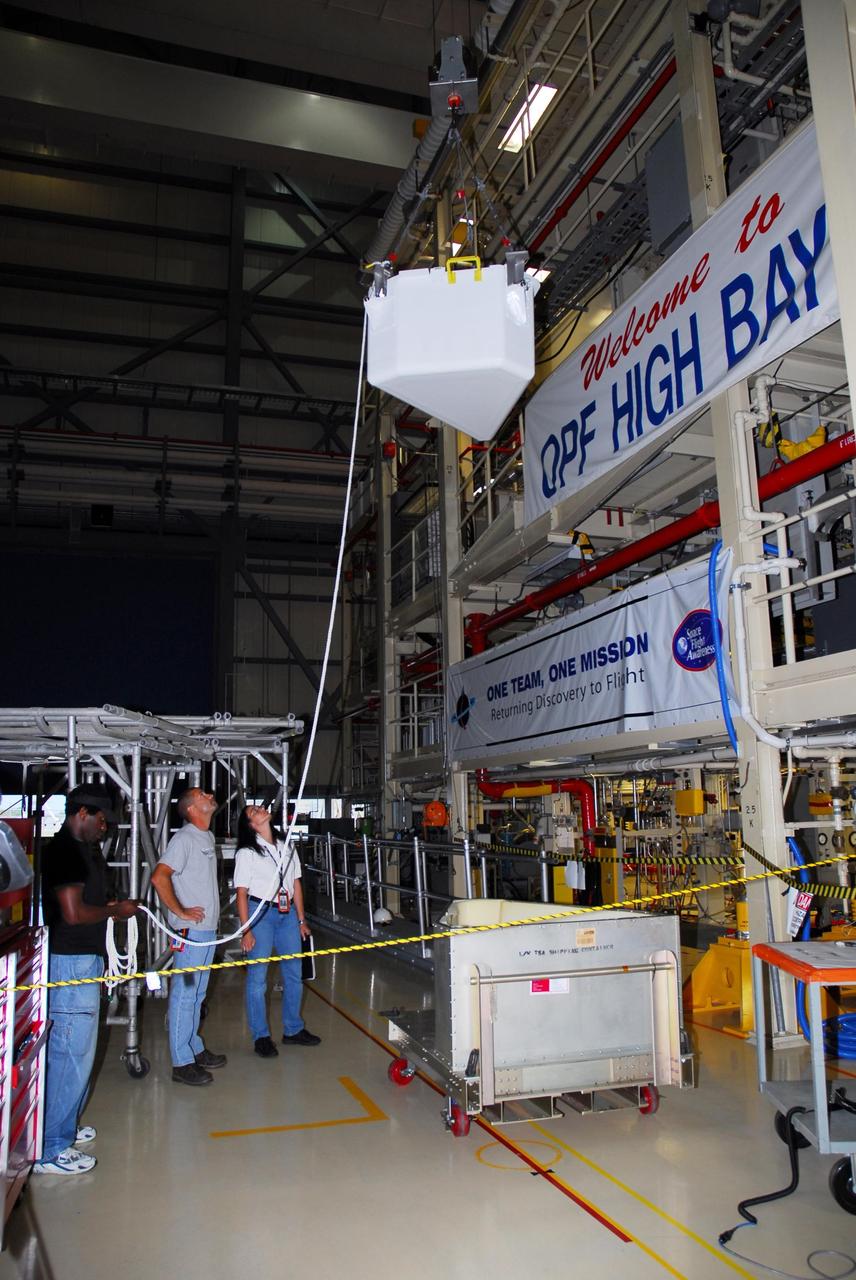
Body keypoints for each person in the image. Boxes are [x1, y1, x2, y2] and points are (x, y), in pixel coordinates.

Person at [34, 784, 138, 1176]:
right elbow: (74, 915)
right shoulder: (65, 852)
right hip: (71, 962)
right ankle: (50, 1147)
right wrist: (116, 913)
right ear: (81, 814)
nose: (104, 827)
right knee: (69, 1056)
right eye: (100, 820)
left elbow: (83, 906)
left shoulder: (79, 851)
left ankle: (64, 1126)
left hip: (82, 961)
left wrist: (110, 907)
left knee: (79, 1053)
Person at [151, 787, 227, 1086]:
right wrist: (180, 911)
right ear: (192, 809)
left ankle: (193, 1048)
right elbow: (160, 876)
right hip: (191, 932)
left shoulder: (204, 836)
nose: (209, 795)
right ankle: (181, 1062)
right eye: (202, 795)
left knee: (197, 995)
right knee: (185, 996)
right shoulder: (183, 839)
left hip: (206, 931)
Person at [234, 805, 320, 1057]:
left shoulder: (286, 844)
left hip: (288, 914)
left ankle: (293, 1029)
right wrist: (246, 929)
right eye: (253, 811)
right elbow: (241, 893)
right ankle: (260, 1036)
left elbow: (295, 882)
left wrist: (301, 919)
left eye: (259, 807)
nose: (260, 809)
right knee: (258, 979)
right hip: (260, 913)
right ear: (250, 824)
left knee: (293, 974)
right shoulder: (247, 853)